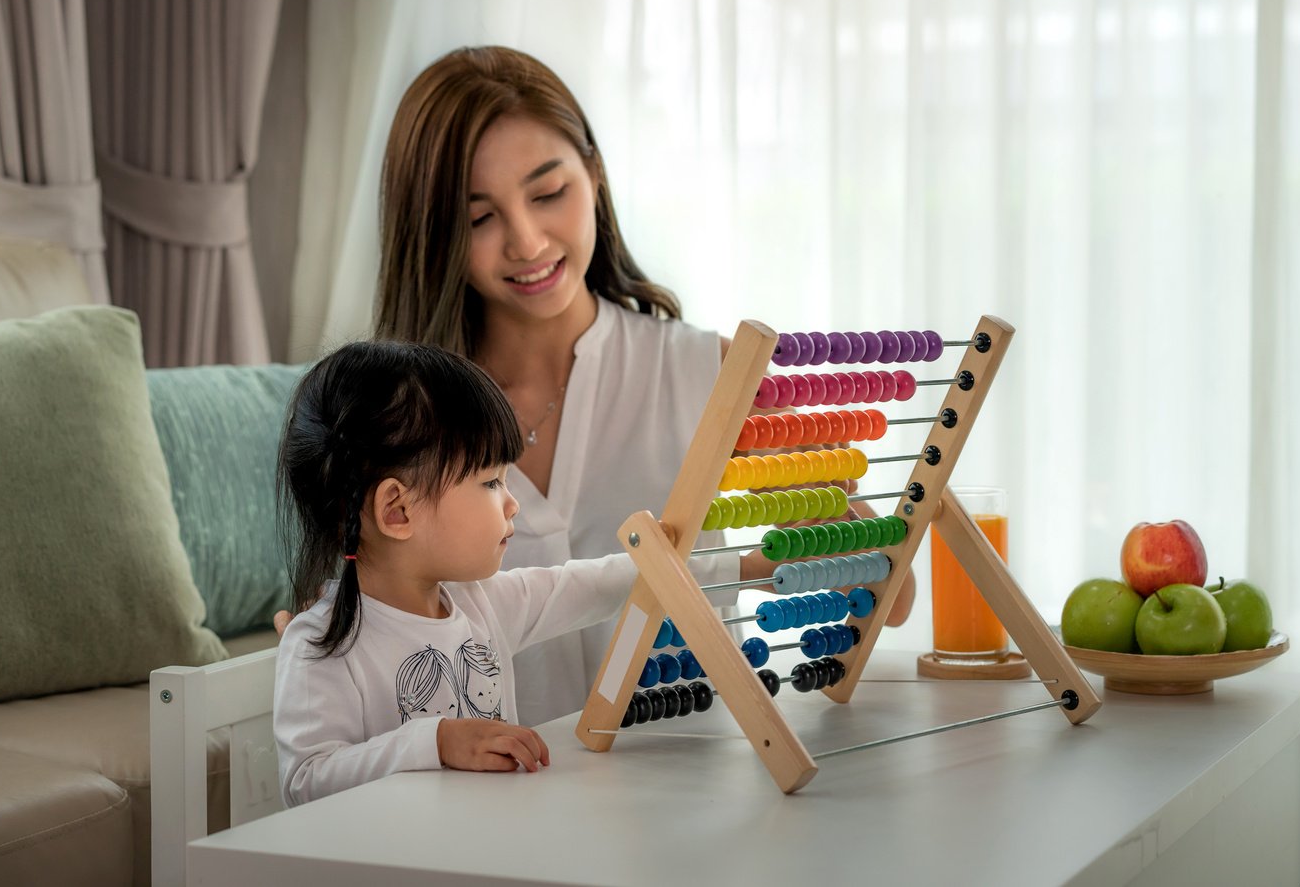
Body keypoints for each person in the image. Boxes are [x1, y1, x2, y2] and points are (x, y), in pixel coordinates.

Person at [282, 45, 913, 727]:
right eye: (478, 217)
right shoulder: (386, 421)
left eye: (548, 193)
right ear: (431, 232)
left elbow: (889, 594)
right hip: (492, 803)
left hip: (697, 786)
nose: (525, 241)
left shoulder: (710, 376)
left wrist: (831, 536)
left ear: (594, 175)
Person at [274, 340, 641, 804]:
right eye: (491, 482)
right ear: (398, 511)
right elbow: (305, 781)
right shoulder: (321, 643)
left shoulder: (481, 602)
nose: (512, 503)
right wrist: (437, 741)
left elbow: (601, 583)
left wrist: (740, 565)